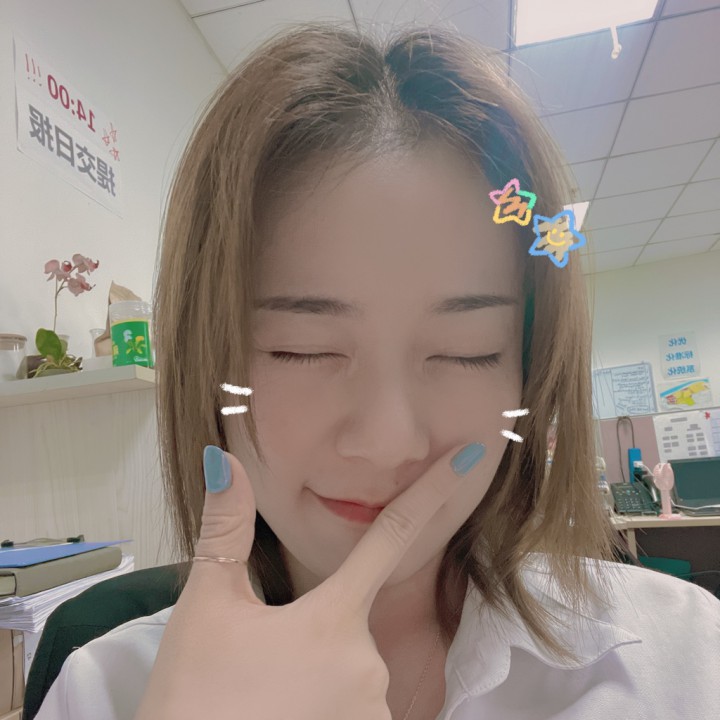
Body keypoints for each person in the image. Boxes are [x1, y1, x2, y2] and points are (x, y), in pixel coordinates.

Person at [35, 21, 720, 720]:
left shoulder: (683, 660)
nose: (389, 441)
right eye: (301, 348)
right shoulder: (102, 694)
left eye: (467, 350)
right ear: (207, 365)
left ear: (531, 370)